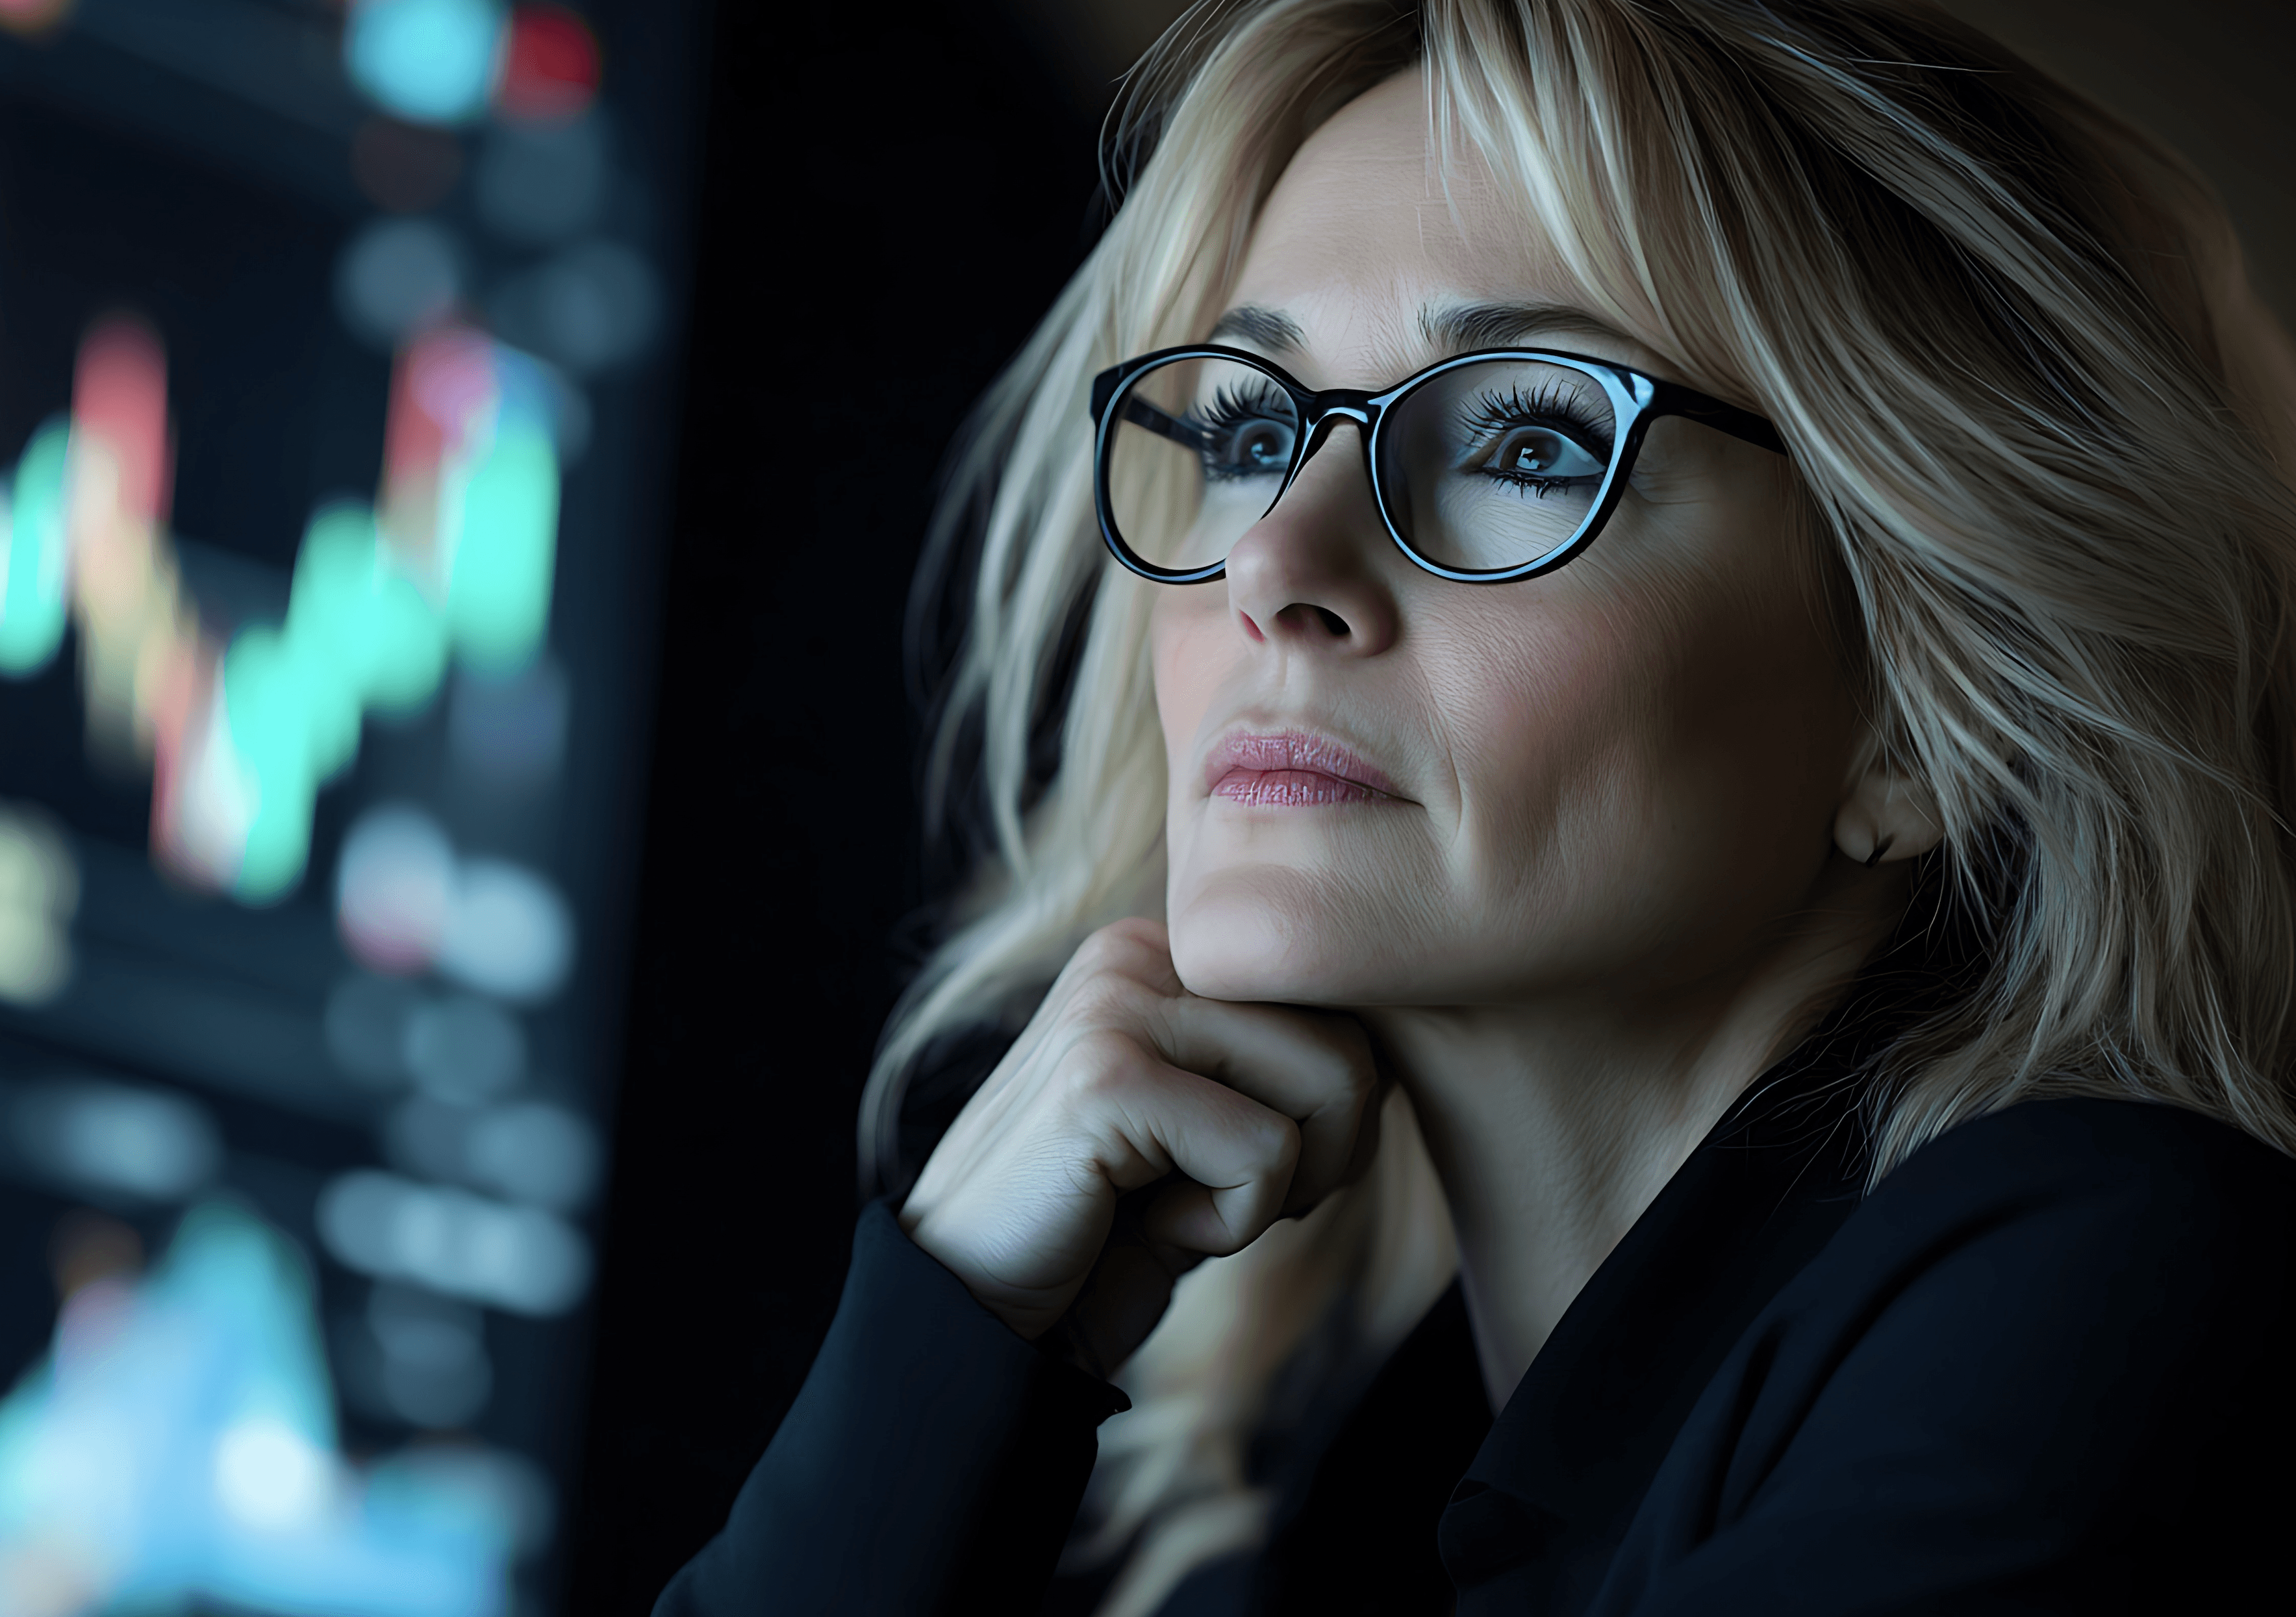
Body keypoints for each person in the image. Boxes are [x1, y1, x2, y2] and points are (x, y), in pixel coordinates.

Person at [656, 1, 2296, 1612]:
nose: (1276, 565)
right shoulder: (1355, 1494)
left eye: (1523, 440)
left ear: (1922, 725)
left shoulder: (2114, 1299)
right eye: (1246, 427)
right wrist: (952, 1341)